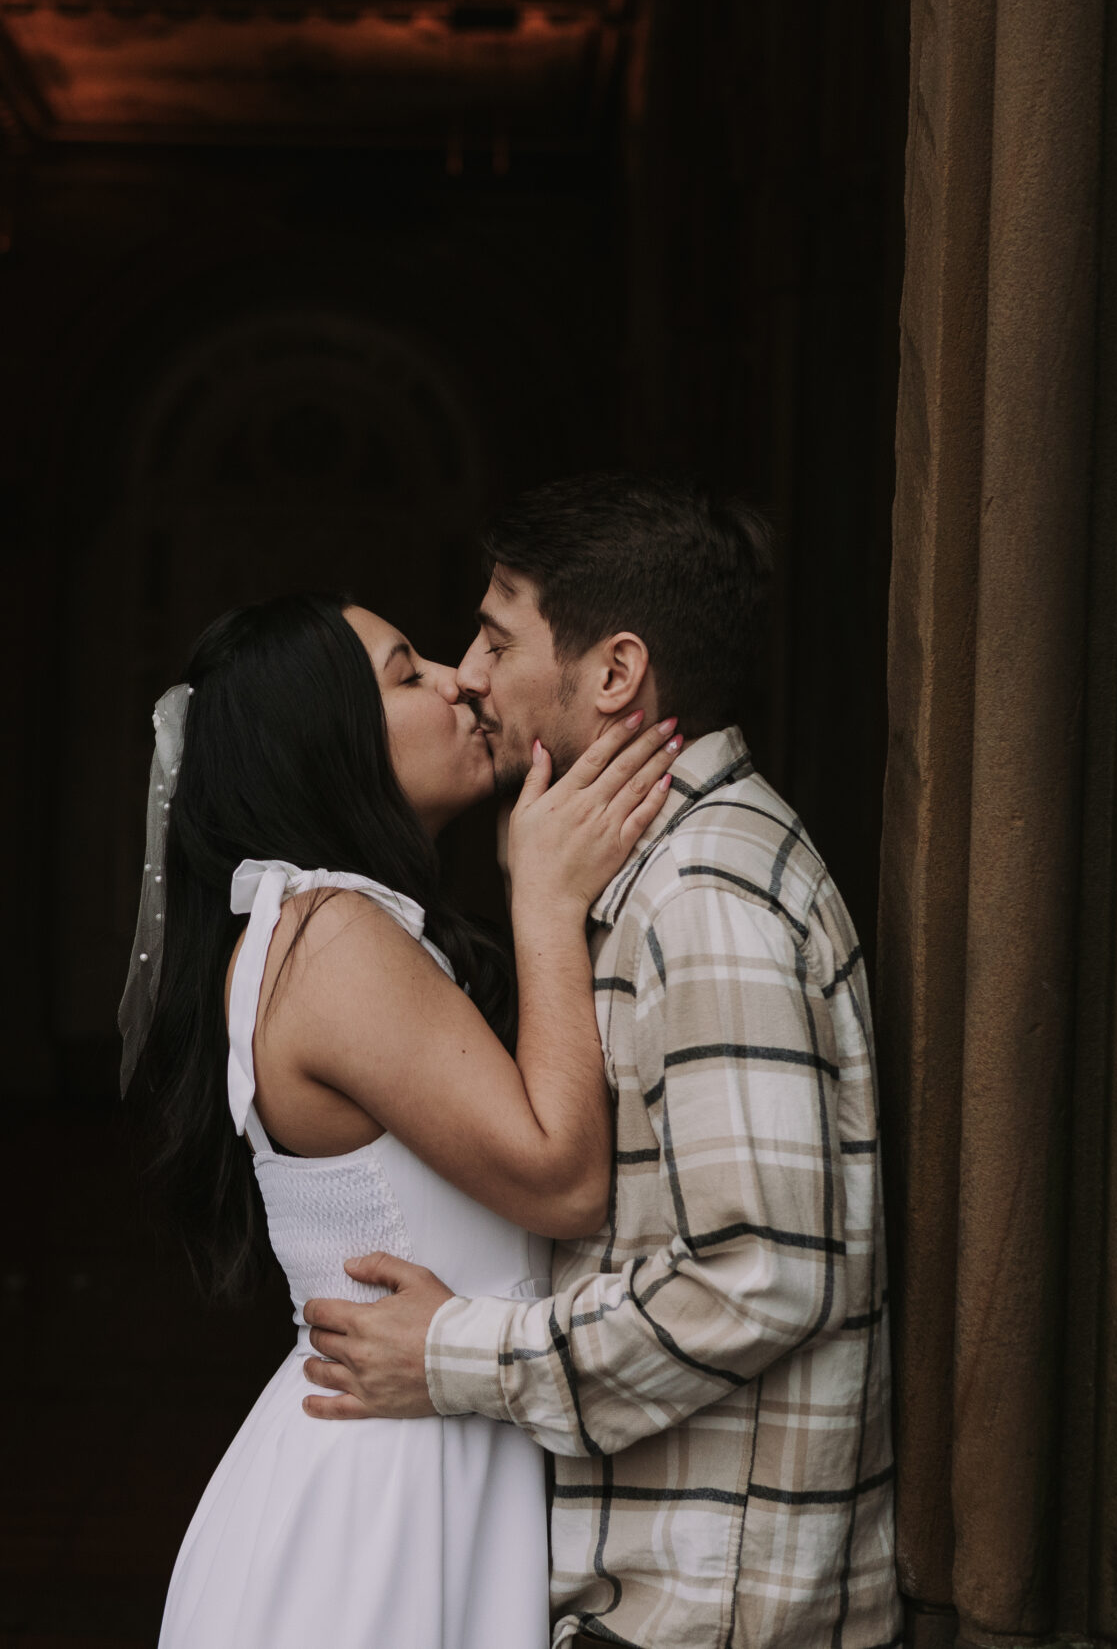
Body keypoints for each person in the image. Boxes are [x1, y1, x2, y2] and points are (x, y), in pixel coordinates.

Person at [298, 474, 898, 1648]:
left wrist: (454, 1355)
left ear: (615, 673)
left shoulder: (704, 895)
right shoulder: (654, 876)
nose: (469, 672)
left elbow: (761, 1273)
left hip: (705, 1617)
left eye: (495, 634)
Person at [129, 591, 679, 1649]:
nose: (459, 679)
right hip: (381, 1499)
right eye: (405, 672)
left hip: (421, 1452)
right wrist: (546, 906)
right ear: (323, 742)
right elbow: (561, 1178)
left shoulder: (321, 927)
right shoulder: (329, 934)